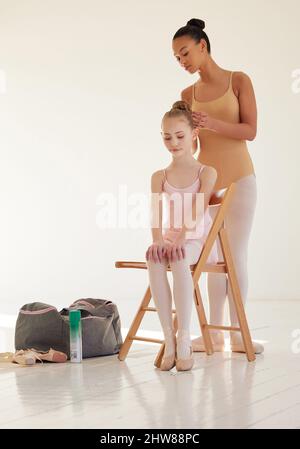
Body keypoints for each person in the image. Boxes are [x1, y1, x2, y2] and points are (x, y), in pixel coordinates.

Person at [172, 18, 263, 353]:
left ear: (202, 46)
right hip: (207, 184)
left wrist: (211, 122)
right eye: (177, 59)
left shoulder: (238, 81)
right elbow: (192, 149)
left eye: (185, 53)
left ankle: (239, 332)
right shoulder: (186, 94)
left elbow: (250, 130)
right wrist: (183, 137)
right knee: (211, 256)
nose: (182, 62)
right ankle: (214, 331)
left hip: (240, 178)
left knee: (235, 254)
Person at [145, 100, 218, 372]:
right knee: (153, 258)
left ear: (193, 135)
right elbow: (155, 213)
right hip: (171, 239)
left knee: (178, 258)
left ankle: (184, 336)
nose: (173, 142)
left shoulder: (206, 172)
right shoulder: (159, 176)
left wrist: (180, 239)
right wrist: (158, 241)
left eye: (179, 136)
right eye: (166, 137)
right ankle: (169, 339)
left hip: (197, 240)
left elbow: (199, 208)